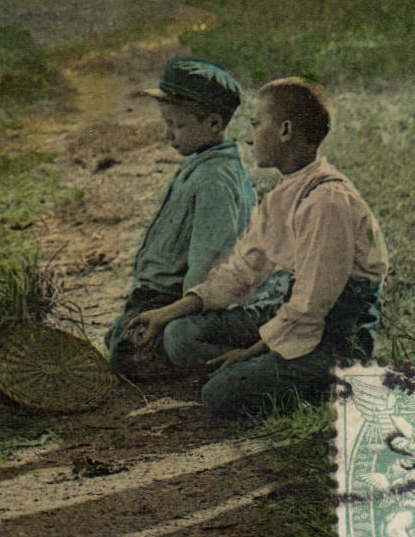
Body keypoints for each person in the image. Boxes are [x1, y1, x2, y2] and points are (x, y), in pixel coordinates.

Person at [127, 77, 390, 423]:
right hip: (295, 315)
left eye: (256, 123)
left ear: (284, 130)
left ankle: (326, 384)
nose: (250, 137)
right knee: (179, 335)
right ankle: (262, 372)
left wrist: (248, 353)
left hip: (337, 336)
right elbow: (240, 272)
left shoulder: (327, 203)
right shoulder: (284, 195)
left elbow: (310, 306)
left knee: (220, 397)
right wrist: (165, 314)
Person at [102, 58, 254, 378]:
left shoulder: (215, 178)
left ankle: (242, 361)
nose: (168, 135)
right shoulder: (200, 163)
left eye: (177, 125)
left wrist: (175, 313)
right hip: (158, 294)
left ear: (214, 122)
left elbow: (208, 261)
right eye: (167, 123)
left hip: (183, 300)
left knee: (138, 353)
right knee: (117, 340)